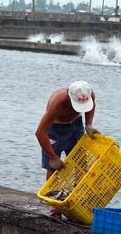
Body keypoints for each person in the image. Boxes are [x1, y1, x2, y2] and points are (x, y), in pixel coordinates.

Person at [36, 81, 100, 216]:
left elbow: (91, 107)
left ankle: (78, 198)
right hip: (55, 128)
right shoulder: (58, 102)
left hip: (75, 125)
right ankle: (56, 203)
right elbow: (40, 132)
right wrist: (53, 157)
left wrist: (88, 124)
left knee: (82, 164)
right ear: (69, 98)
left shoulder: (89, 95)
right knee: (53, 168)